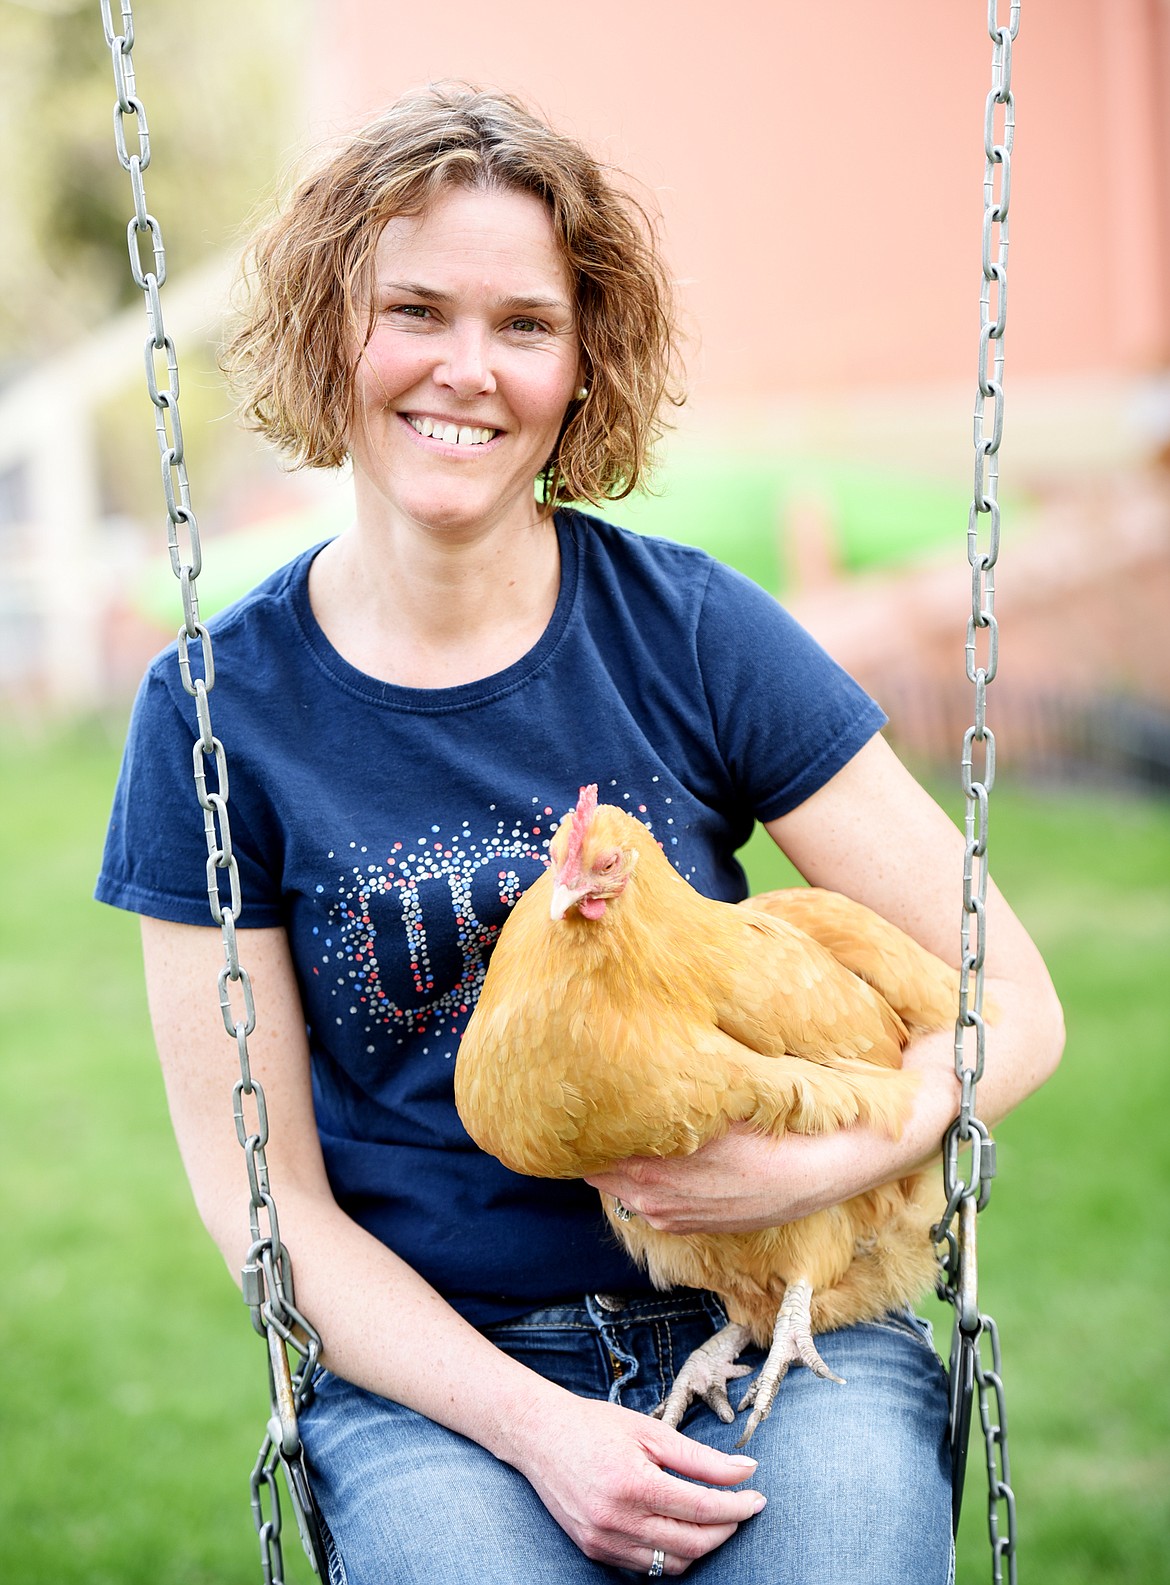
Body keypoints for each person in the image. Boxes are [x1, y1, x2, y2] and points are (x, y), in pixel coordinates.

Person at [96, 85, 1064, 1584]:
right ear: (325, 329)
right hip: (436, 1365)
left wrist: (833, 1157)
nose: (464, 372)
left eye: (525, 325)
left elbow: (1017, 1000)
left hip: (768, 1301)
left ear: (583, 359)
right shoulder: (216, 710)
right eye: (413, 308)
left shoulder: (688, 630)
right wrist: (537, 1425)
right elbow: (262, 1198)